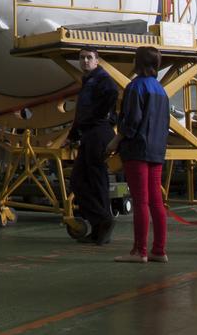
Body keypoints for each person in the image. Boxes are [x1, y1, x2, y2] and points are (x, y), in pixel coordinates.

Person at [111, 46, 170, 263]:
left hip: (137, 150)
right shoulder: (161, 90)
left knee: (140, 201)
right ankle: (159, 249)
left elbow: (132, 120)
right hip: (156, 151)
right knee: (156, 201)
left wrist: (116, 140)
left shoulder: (135, 87)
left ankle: (139, 251)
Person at [68, 46, 118, 245]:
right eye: (82, 58)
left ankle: (103, 222)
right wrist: (73, 134)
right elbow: (81, 112)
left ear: (97, 61)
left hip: (98, 132)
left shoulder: (101, 79)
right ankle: (100, 224)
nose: (85, 61)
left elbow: (112, 93)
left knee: (94, 180)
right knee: (82, 181)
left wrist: (100, 116)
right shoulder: (88, 80)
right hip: (90, 133)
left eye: (89, 58)